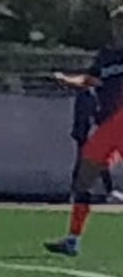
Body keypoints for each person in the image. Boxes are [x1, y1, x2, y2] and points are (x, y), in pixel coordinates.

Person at [46, 19, 123, 256]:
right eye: (118, 22)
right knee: (84, 178)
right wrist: (69, 79)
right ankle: (73, 239)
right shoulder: (107, 55)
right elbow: (91, 79)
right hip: (109, 124)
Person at [71, 80, 118, 202]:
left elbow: (84, 117)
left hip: (86, 134)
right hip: (88, 134)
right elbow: (90, 116)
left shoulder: (85, 97)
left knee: (88, 163)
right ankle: (105, 190)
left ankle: (79, 191)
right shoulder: (89, 97)